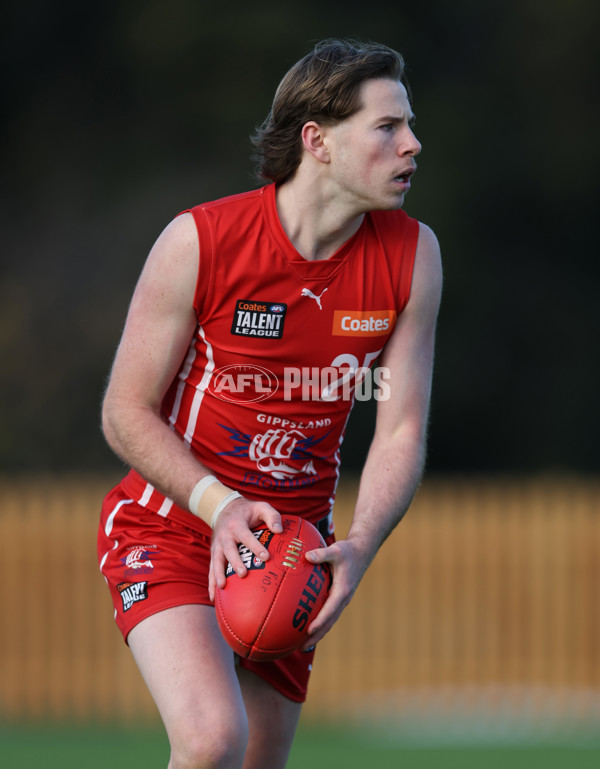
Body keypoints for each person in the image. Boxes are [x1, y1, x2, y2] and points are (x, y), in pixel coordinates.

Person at [98, 37, 442, 769]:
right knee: (210, 740)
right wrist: (218, 504)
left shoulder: (415, 255)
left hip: (295, 549)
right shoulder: (200, 241)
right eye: (388, 126)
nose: (413, 143)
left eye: (408, 125)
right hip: (177, 528)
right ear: (317, 140)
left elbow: (401, 426)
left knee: (255, 760)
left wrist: (362, 542)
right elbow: (125, 411)